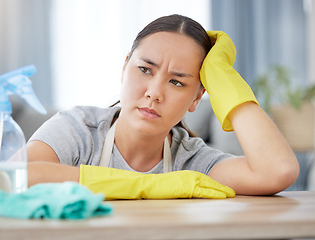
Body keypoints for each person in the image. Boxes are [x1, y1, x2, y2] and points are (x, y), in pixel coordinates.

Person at [27, 14, 299, 197]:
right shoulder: (79, 131)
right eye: (145, 69)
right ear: (124, 68)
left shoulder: (192, 162)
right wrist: (150, 185)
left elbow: (278, 170)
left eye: (177, 82)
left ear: (196, 98)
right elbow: (10, 179)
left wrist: (222, 75)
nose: (155, 93)